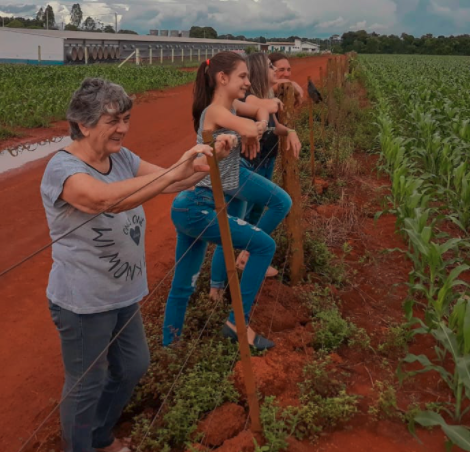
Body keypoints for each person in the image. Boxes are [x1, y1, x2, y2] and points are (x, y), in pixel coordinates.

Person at [40, 77, 234, 452]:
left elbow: (170, 183)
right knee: (86, 383)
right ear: (84, 123)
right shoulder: (61, 169)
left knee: (132, 366)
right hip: (83, 302)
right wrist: (174, 172)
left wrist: (209, 162)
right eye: (113, 120)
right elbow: (104, 200)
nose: (123, 129)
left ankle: (99, 437)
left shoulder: (123, 159)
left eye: (126, 119)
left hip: (122, 294)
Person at [162, 51, 292, 351]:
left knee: (185, 282)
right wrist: (251, 130)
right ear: (222, 78)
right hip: (198, 204)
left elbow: (263, 107)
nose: (248, 82)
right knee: (264, 245)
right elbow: (256, 122)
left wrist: (257, 122)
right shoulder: (214, 113)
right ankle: (238, 323)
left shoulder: (230, 106)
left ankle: (171, 346)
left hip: (195, 204)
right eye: (242, 77)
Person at [209, 53, 302, 290]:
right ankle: (231, 273)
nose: (276, 71)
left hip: (258, 163)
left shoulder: (261, 98)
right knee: (239, 223)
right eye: (271, 67)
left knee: (241, 222)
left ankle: (221, 284)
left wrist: (288, 130)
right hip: (241, 167)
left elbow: (271, 120)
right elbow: (264, 109)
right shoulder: (247, 100)